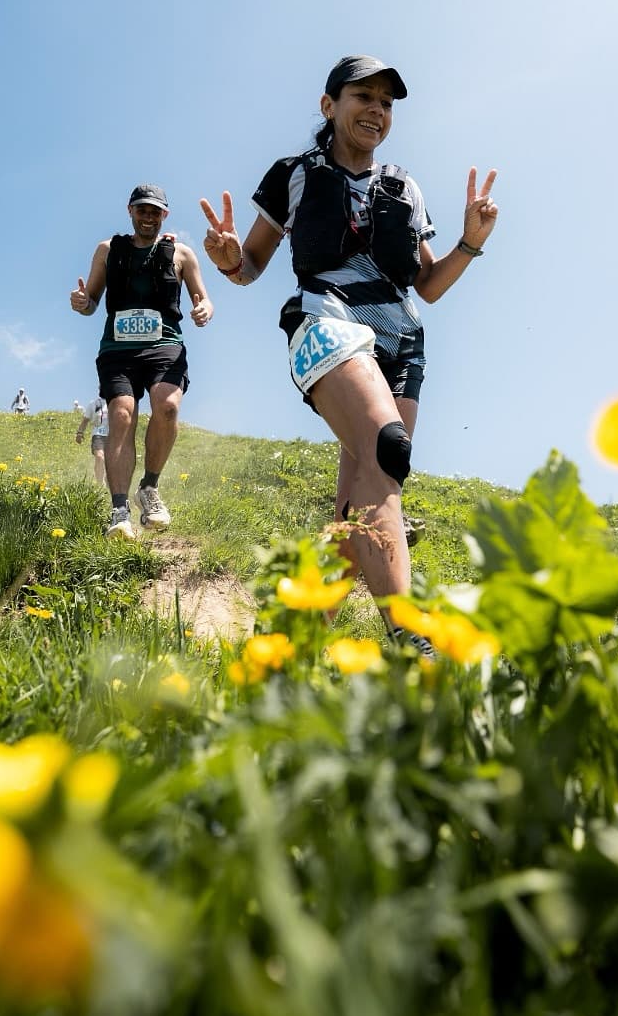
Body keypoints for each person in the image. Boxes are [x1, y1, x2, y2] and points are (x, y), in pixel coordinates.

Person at [200, 55, 498, 637]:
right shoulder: (294, 172)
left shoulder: (404, 187)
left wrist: (469, 242)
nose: (377, 110)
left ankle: (292, 640)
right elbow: (250, 266)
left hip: (400, 340)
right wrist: (230, 257)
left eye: (386, 103)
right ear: (329, 105)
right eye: (364, 96)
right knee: (389, 449)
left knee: (365, 494)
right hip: (325, 320)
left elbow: (428, 286)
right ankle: (410, 639)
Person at [69, 184, 214, 538]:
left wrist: (203, 309)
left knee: (167, 407)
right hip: (118, 349)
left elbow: (204, 299)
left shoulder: (181, 254)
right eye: (142, 210)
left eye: (155, 212)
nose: (148, 217)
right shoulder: (108, 250)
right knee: (121, 414)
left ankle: (148, 489)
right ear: (131, 211)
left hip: (165, 343)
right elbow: (91, 301)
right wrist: (81, 302)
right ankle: (120, 510)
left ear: (164, 215)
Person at [73, 394, 109, 487]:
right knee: (100, 457)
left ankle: (108, 479)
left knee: (111, 461)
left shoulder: (116, 402)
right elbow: (85, 420)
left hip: (113, 436)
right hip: (98, 434)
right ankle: (100, 484)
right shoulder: (94, 404)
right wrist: (79, 433)